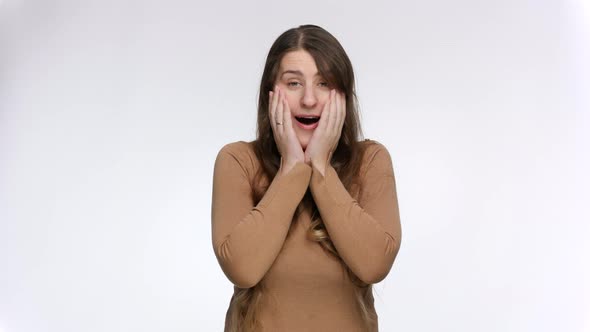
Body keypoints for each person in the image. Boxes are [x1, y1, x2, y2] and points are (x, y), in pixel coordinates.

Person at [211, 24, 402, 332]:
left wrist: (321, 168)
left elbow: (375, 265)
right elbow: (242, 268)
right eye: (294, 83)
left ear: (343, 96)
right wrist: (292, 169)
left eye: (324, 83)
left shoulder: (370, 161)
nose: (310, 100)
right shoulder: (238, 161)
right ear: (271, 94)